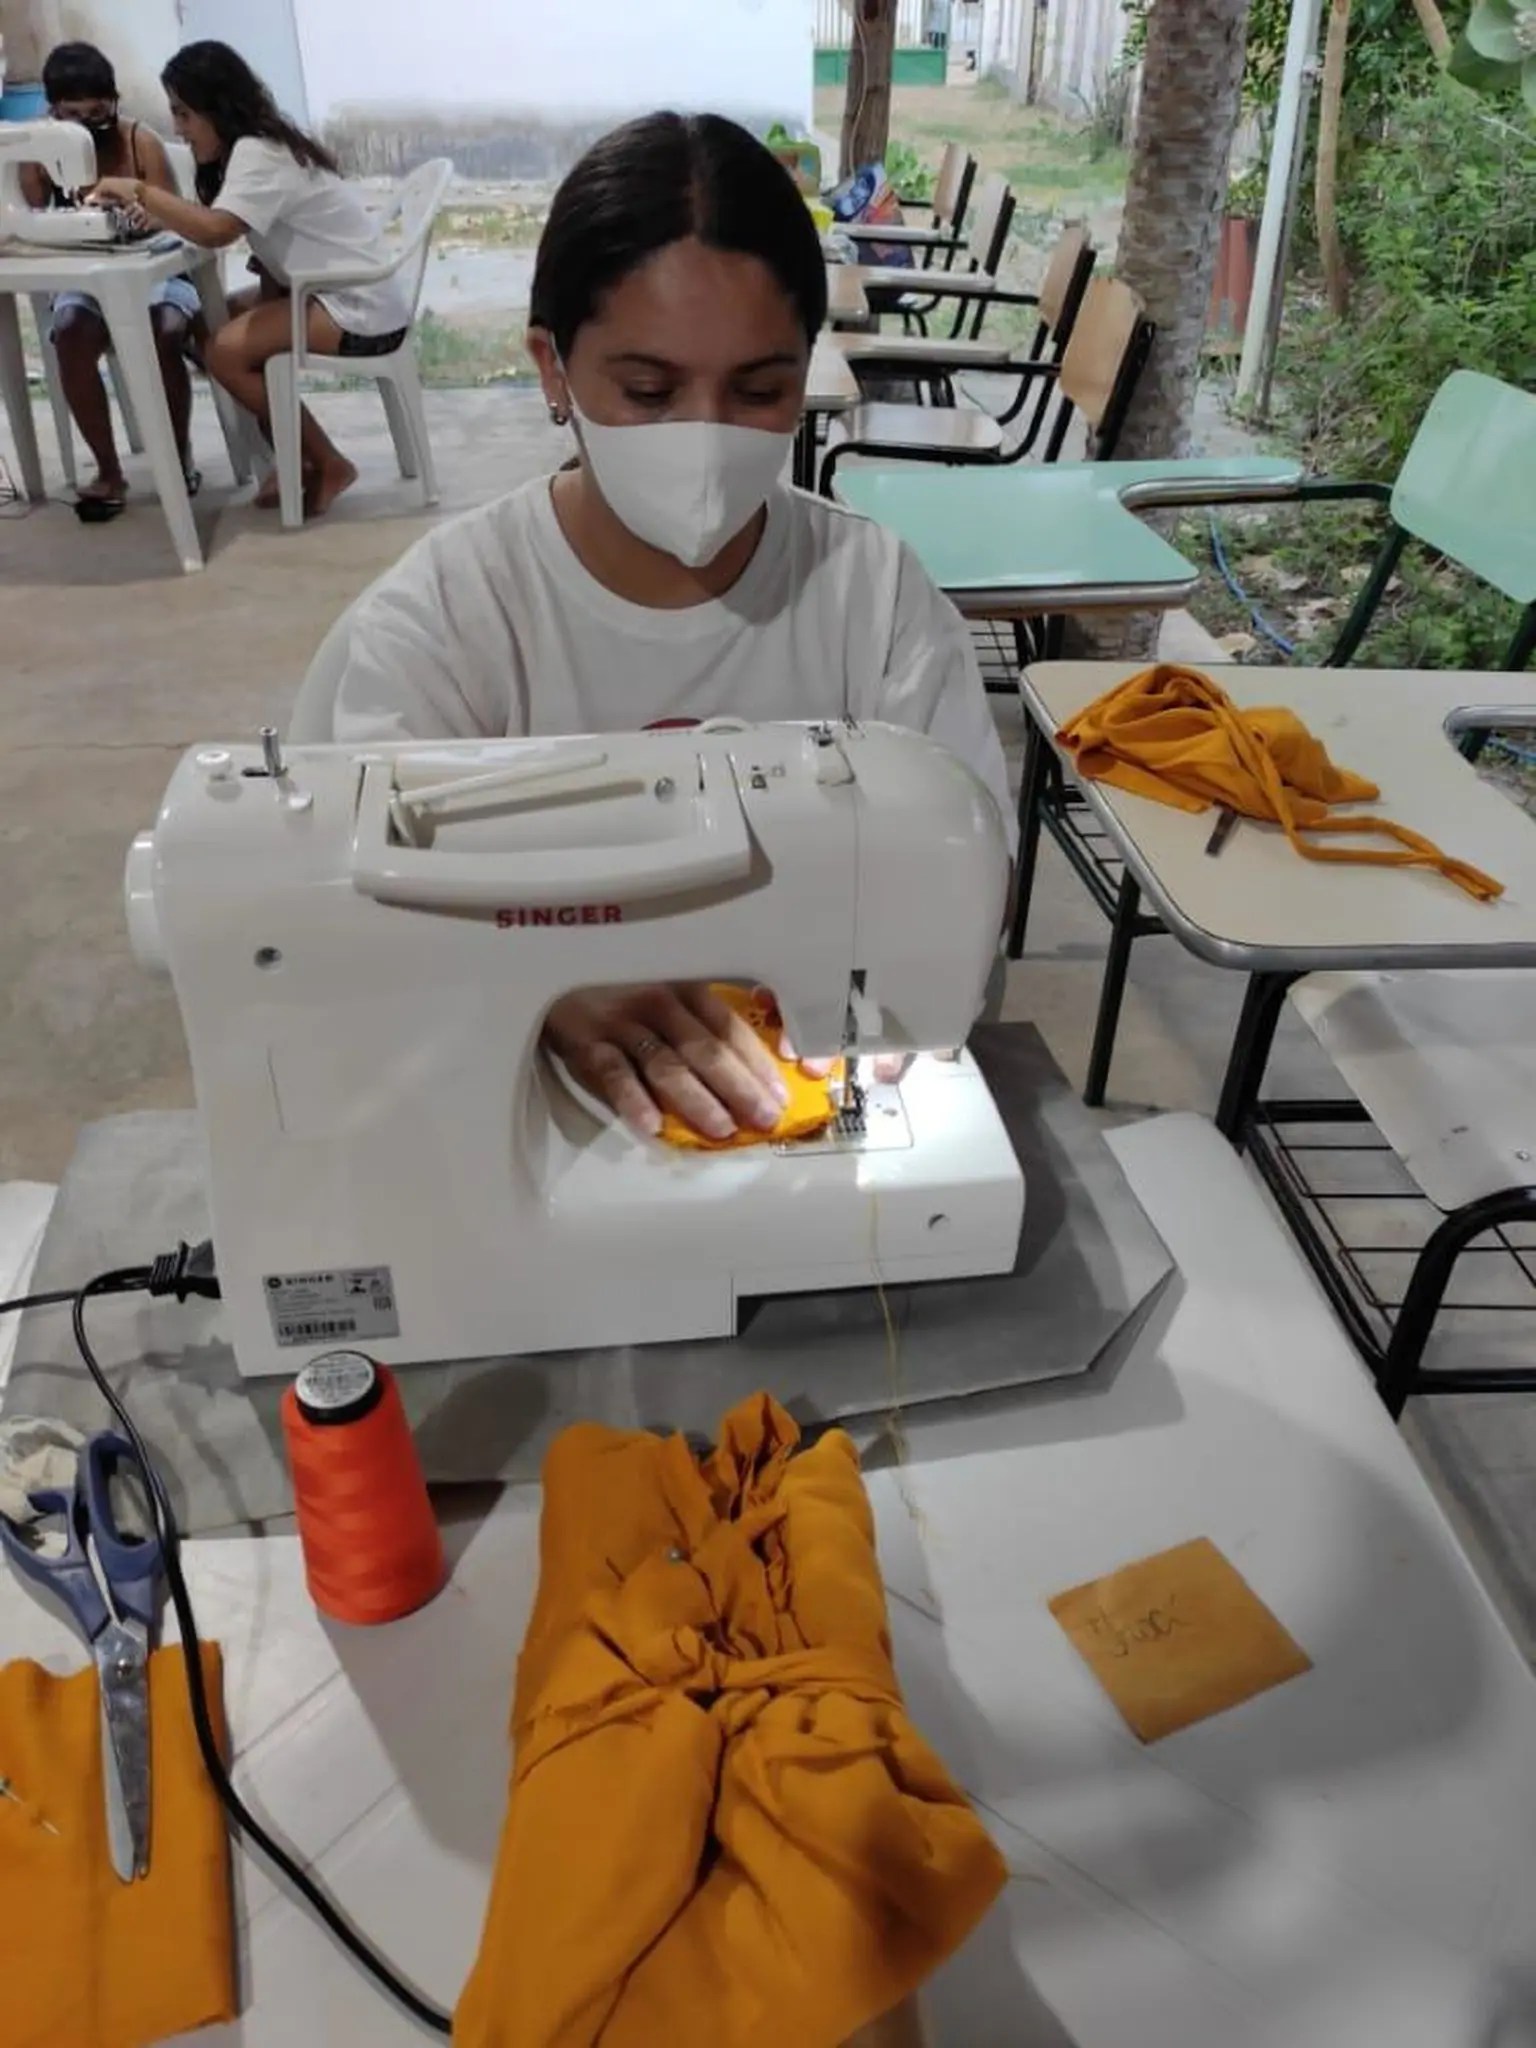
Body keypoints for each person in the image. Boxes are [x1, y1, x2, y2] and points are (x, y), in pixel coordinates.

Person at [330, 111, 1013, 1144]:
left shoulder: (873, 599)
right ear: (552, 369)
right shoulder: (443, 627)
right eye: (649, 391)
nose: (704, 437)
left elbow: (966, 868)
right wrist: (547, 989)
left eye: (761, 388)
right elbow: (361, 925)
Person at [90, 40, 412, 520]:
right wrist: (164, 215)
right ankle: (294, 455)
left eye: (184, 115)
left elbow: (217, 230)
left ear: (215, 107)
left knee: (223, 350)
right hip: (335, 290)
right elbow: (221, 221)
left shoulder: (259, 153)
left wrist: (141, 191)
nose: (179, 129)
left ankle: (327, 461)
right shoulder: (258, 146)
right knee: (205, 327)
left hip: (358, 307)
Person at [20, 42, 201, 516]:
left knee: (164, 330)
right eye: (73, 114)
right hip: (88, 278)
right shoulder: (41, 155)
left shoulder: (139, 141)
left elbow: (175, 217)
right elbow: (30, 222)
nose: (87, 122)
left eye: (98, 111)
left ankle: (176, 457)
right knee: (71, 336)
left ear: (115, 101)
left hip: (155, 269)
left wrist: (147, 212)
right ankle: (108, 469)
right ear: (53, 111)